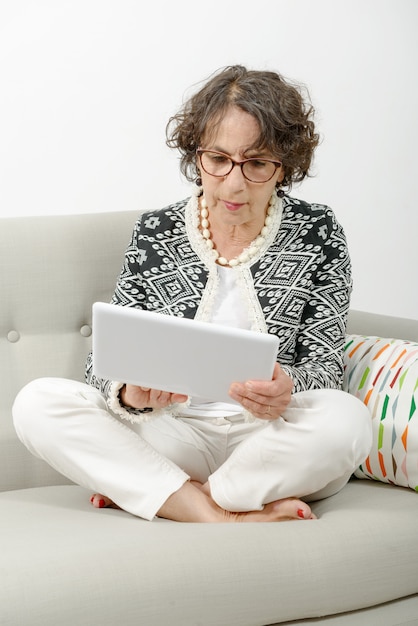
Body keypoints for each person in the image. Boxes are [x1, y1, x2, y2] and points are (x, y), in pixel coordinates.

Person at [12, 65, 372, 523]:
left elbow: (326, 366)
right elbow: (99, 368)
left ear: (285, 165)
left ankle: (172, 496)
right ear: (196, 154)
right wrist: (129, 394)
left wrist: (289, 389)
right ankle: (222, 512)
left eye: (257, 163)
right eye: (218, 160)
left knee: (348, 421)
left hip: (270, 441)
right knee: (38, 403)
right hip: (171, 435)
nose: (234, 183)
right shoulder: (156, 230)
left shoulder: (317, 231)